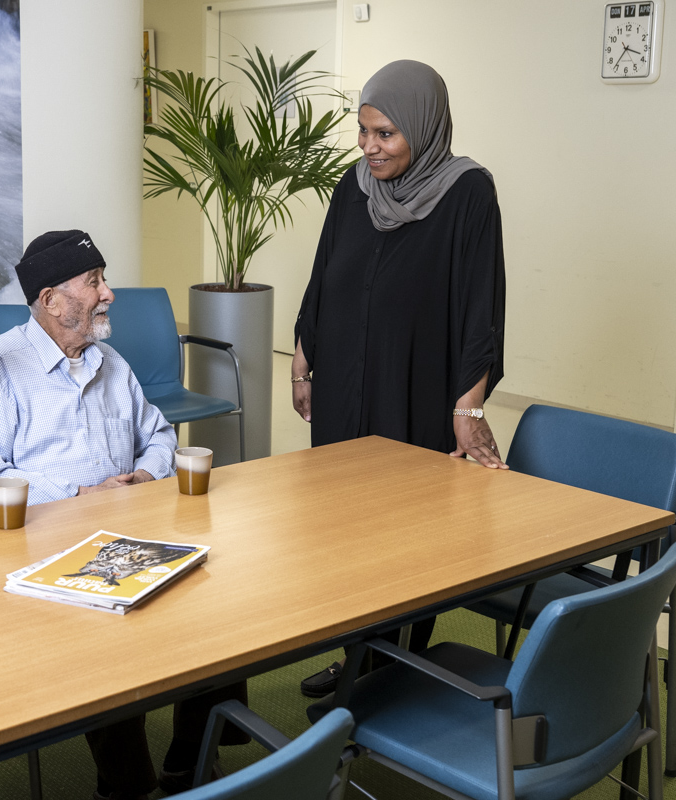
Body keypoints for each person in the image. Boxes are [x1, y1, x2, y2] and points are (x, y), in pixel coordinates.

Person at [0, 230, 247, 800]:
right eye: (93, 282)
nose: (109, 293)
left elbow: (160, 436)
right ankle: (128, 788)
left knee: (219, 614)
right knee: (108, 655)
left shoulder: (110, 362)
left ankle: (188, 767)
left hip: (133, 532)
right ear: (50, 299)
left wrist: (142, 477)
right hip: (47, 545)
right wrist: (78, 495)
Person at [291, 60, 508, 698]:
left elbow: (481, 305)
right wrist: (304, 356)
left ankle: (397, 665)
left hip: (414, 381)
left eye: (385, 134)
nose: (370, 148)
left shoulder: (468, 191)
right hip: (345, 381)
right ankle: (356, 656)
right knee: (341, 525)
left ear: (423, 125)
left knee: (408, 535)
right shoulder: (353, 185)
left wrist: (467, 409)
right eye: (362, 132)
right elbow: (324, 268)